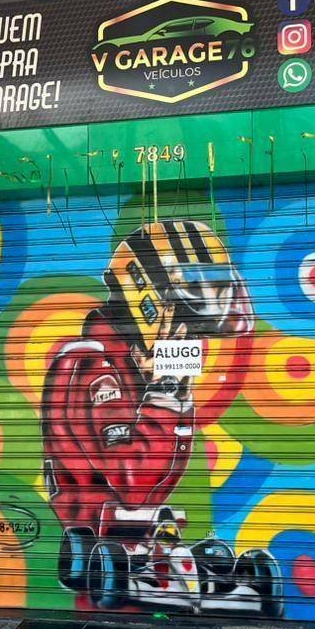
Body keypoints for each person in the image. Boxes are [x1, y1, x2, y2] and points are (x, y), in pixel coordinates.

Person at [40, 219, 254, 531]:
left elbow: (159, 482)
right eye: (184, 325)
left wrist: (173, 391)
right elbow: (134, 486)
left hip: (136, 540)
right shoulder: (92, 366)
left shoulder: (136, 366)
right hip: (98, 547)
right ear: (148, 305)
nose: (188, 339)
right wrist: (165, 393)